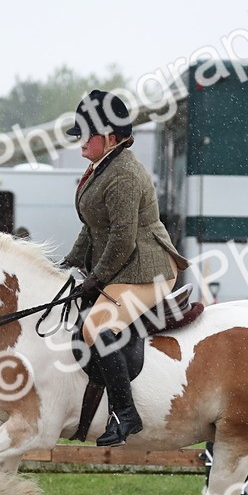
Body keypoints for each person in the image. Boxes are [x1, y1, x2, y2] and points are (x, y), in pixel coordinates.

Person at [61, 90, 189, 447]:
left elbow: (122, 240)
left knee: (96, 329)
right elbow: (93, 226)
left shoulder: (124, 176)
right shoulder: (100, 167)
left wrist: (96, 278)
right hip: (124, 267)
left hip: (149, 270)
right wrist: (68, 263)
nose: (81, 141)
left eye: (87, 134)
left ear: (111, 139)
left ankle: (126, 413)